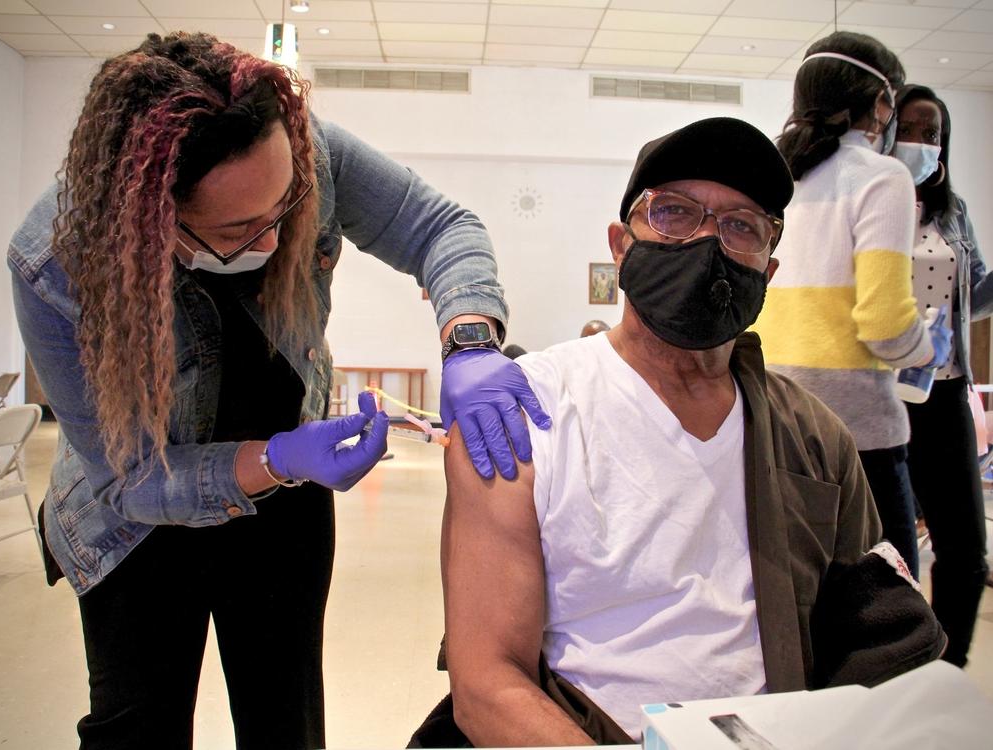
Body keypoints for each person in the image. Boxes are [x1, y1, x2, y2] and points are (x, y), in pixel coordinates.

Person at [8, 32, 548, 750]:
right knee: (137, 725)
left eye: (285, 207)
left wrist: (470, 342)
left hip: (282, 514)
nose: (274, 240)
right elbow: (129, 478)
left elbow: (440, 227)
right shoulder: (55, 263)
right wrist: (278, 459)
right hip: (136, 525)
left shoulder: (303, 150)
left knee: (285, 718)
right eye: (238, 230)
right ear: (151, 221)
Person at [422, 118, 944, 746]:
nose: (708, 243)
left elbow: (872, 638)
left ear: (767, 270)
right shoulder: (522, 414)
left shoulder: (811, 437)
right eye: (673, 213)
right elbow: (487, 687)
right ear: (621, 245)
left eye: (740, 226)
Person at [751, 32, 952, 579]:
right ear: (882, 103)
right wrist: (926, 344)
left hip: (774, 414)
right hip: (856, 430)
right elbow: (885, 325)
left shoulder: (775, 177)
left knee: (798, 598)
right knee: (890, 606)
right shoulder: (881, 177)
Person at [892, 84, 993, 667]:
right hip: (882, 397)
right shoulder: (872, 200)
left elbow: (972, 294)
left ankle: (947, 672)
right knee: (893, 550)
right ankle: (895, 666)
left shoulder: (953, 212)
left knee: (965, 553)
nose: (921, 143)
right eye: (910, 129)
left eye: (932, 134)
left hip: (945, 391)